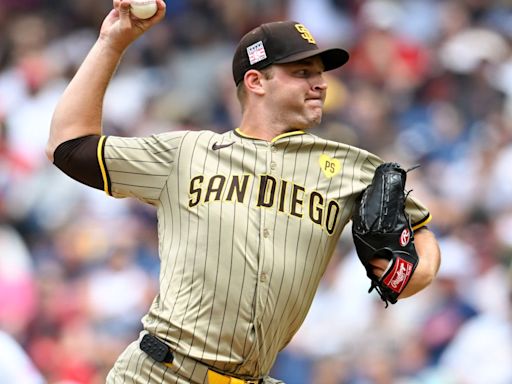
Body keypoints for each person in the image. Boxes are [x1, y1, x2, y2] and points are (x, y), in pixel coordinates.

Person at [46, 1, 441, 383]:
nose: (320, 83)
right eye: (302, 72)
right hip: (160, 373)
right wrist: (111, 43)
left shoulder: (352, 166)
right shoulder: (186, 152)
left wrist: (417, 273)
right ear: (256, 81)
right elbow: (68, 146)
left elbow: (421, 232)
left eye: (320, 73)